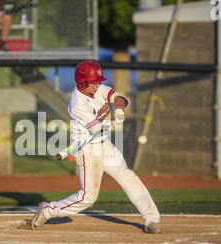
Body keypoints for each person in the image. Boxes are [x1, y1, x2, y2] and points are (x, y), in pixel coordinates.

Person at [30, 61, 162, 234]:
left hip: (104, 145)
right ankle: (48, 210)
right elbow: (96, 127)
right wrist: (110, 125)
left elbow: (117, 97)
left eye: (98, 81)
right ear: (82, 82)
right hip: (88, 151)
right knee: (88, 197)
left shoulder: (96, 88)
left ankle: (152, 219)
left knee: (127, 176)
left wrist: (119, 109)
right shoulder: (78, 104)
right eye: (93, 82)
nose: (97, 85)